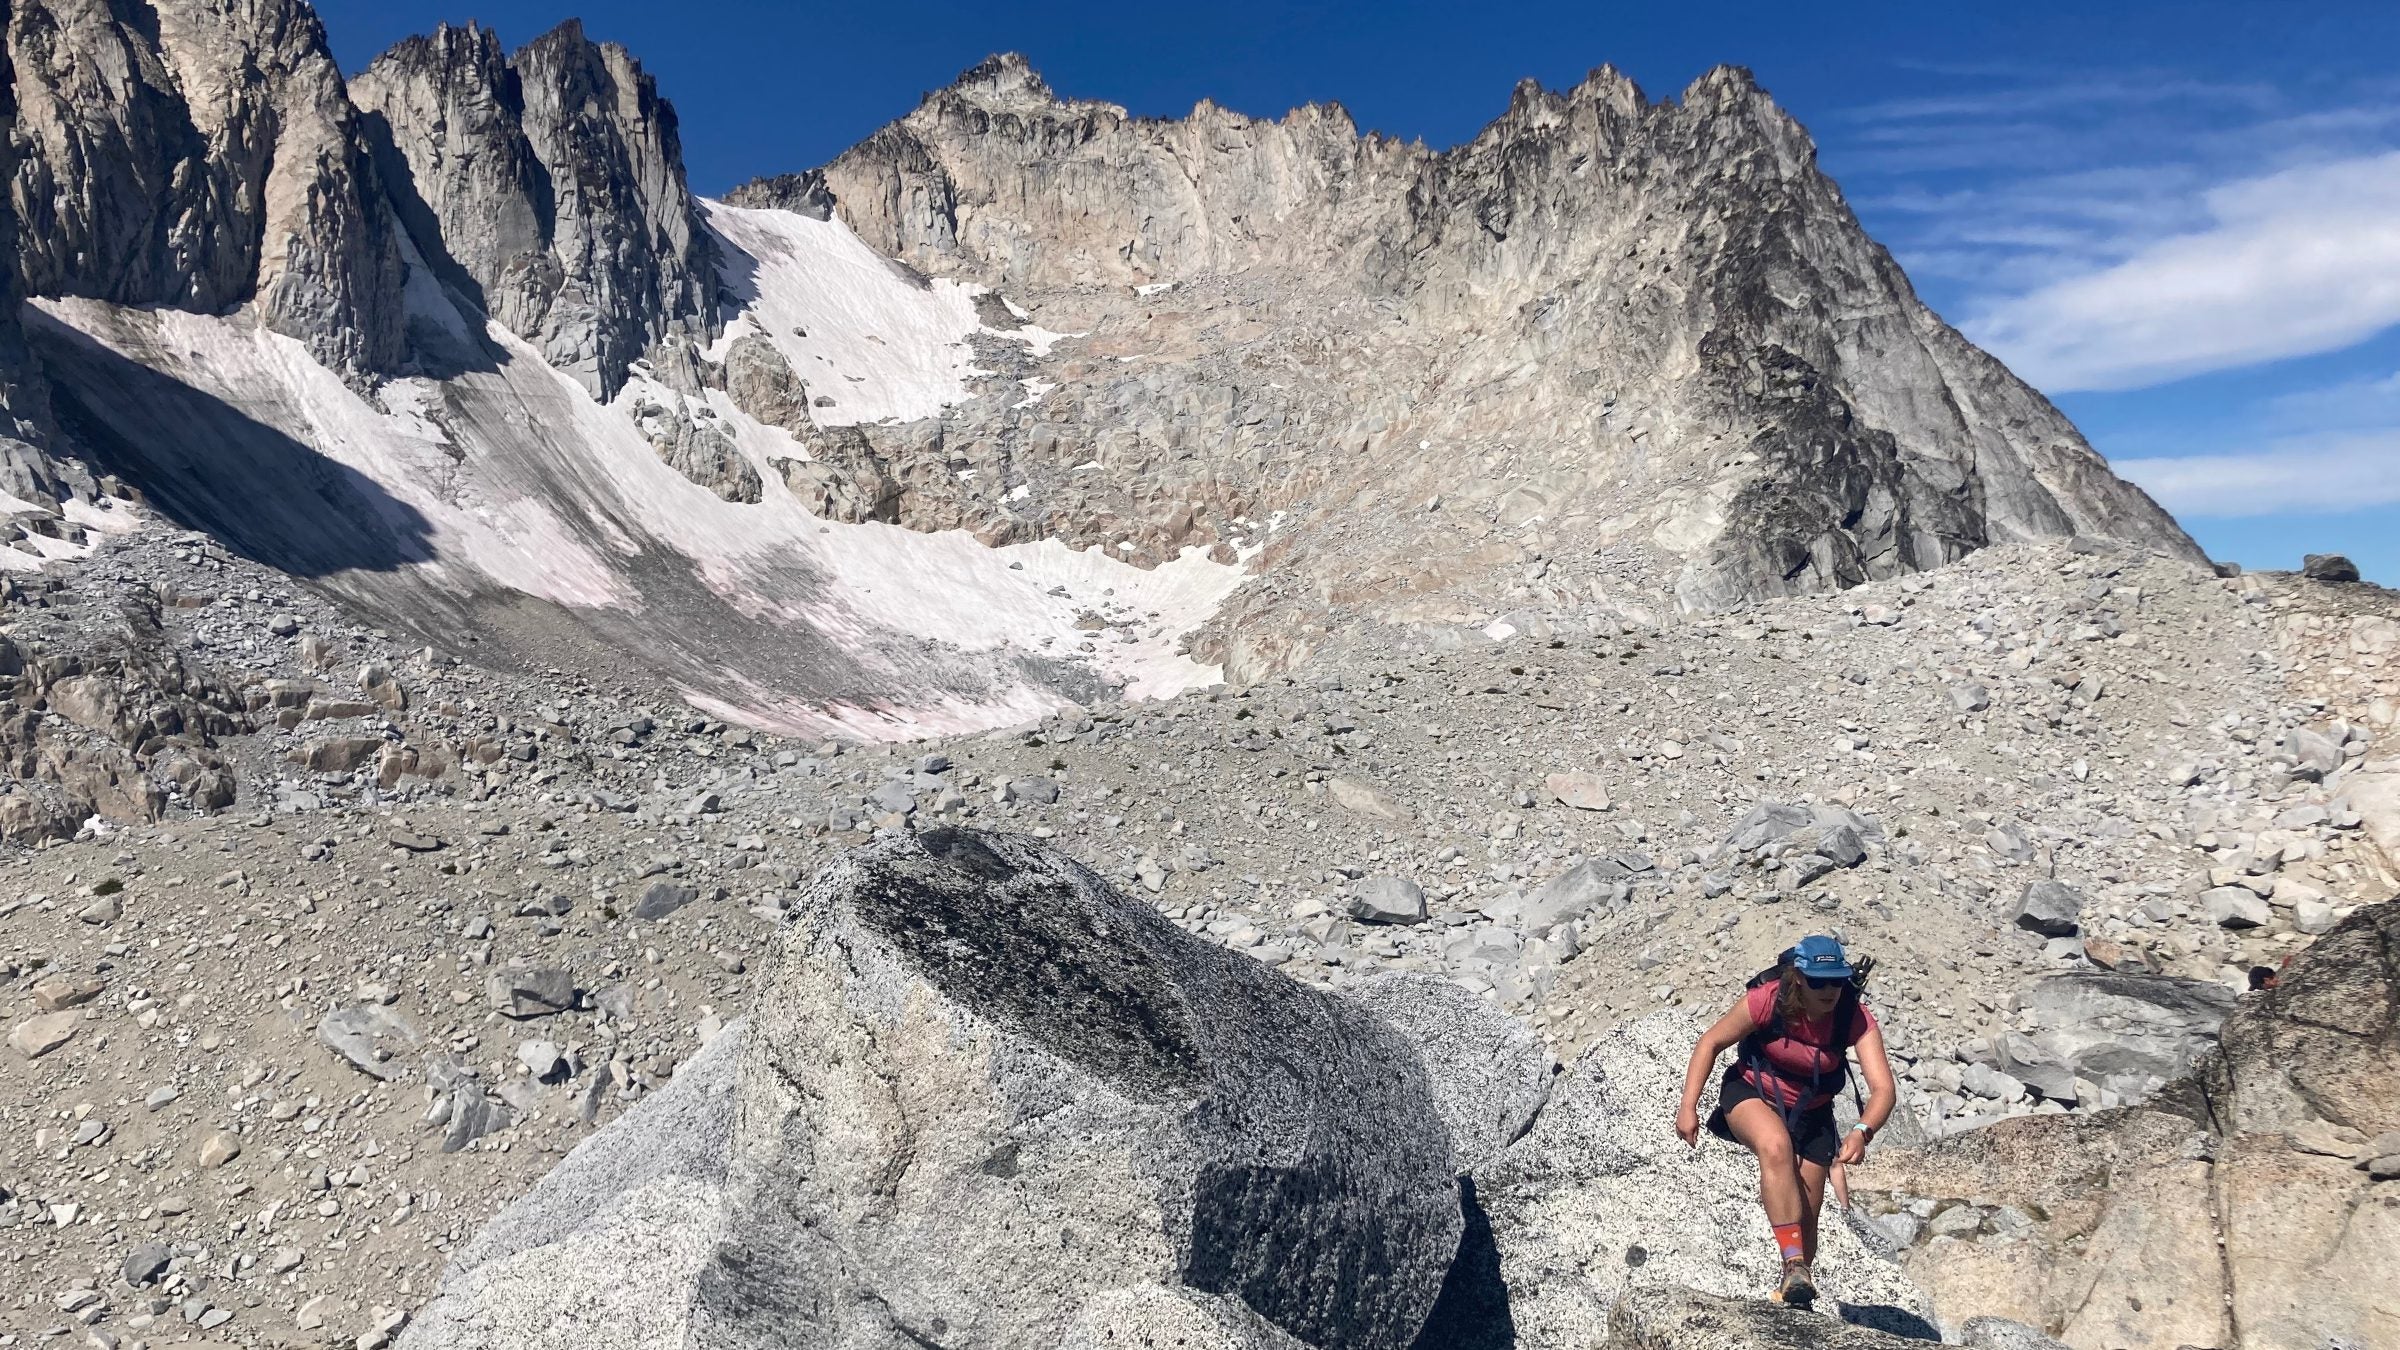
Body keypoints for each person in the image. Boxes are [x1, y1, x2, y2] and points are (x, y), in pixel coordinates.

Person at [1674, 934, 1896, 1308]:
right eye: (1819, 982)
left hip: (1814, 1114)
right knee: (1775, 1145)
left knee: (1807, 1215)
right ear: (1798, 979)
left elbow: (1883, 1089)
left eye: (1838, 981)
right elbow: (1710, 1042)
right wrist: (1688, 1105)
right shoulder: (1768, 1000)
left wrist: (1862, 1130)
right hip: (1750, 1092)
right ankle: (1793, 1263)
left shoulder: (1851, 1017)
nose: (1830, 991)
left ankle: (1794, 1290)